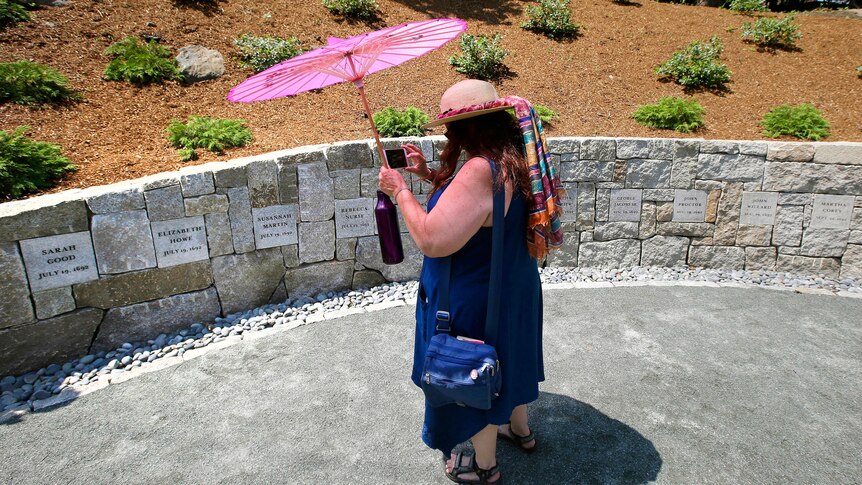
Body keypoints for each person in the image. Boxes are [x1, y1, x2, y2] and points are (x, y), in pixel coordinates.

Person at [377, 79, 565, 484]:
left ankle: (484, 467)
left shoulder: (479, 170)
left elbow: (433, 240)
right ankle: (520, 430)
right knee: (508, 358)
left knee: (472, 374)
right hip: (513, 288)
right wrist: (428, 175)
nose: (447, 134)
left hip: (475, 296)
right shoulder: (514, 159)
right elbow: (480, 211)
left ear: (466, 127)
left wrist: (400, 193)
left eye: (449, 127)